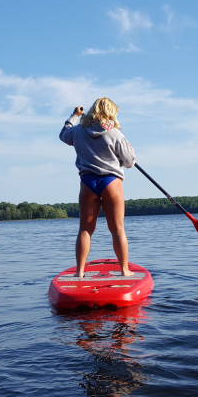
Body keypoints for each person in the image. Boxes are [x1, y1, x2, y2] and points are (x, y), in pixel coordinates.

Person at [59, 97, 136, 278]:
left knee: (85, 229)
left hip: (88, 184)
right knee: (117, 229)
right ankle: (124, 270)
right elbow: (130, 161)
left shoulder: (78, 131)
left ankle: (79, 272)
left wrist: (74, 116)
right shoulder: (116, 134)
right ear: (111, 113)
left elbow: (64, 134)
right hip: (111, 183)